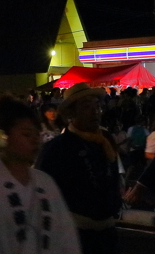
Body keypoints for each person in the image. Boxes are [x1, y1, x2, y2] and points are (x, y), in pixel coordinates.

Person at [0, 95, 81, 254]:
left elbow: (66, 237)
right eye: (26, 134)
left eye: (37, 134)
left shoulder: (45, 182)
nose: (35, 141)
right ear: (4, 137)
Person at [36, 83, 122, 254]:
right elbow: (42, 194)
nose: (95, 111)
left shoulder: (105, 140)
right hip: (74, 233)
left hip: (108, 233)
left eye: (97, 106)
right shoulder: (56, 148)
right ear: (71, 113)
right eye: (86, 107)